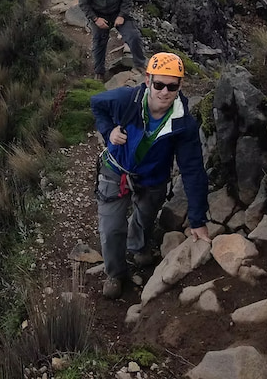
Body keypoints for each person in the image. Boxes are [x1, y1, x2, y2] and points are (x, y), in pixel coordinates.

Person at [90, 52, 210, 299]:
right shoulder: (126, 100)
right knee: (111, 229)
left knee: (145, 217)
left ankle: (138, 246)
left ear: (180, 86)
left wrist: (197, 220)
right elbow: (97, 103)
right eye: (159, 85)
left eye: (172, 86)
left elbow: (192, 170)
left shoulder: (183, 124)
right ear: (148, 81)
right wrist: (108, 130)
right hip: (116, 170)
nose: (164, 92)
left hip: (153, 177)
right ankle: (115, 273)